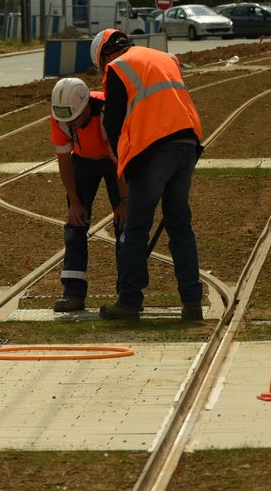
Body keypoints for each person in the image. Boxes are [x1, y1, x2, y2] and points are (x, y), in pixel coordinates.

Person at [89, 28, 205, 322]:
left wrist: (124, 164)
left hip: (154, 148)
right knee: (180, 226)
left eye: (101, 68)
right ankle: (192, 303)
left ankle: (129, 301)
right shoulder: (165, 58)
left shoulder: (118, 68)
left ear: (105, 56)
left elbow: (114, 124)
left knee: (136, 228)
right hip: (187, 144)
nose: (104, 73)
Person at [48, 77, 126, 313]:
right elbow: (64, 160)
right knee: (75, 226)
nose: (70, 125)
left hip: (115, 163)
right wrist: (74, 202)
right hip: (82, 162)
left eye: (75, 119)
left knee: (126, 224)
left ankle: (127, 293)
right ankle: (73, 292)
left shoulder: (108, 113)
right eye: (66, 120)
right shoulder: (60, 117)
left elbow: (121, 160)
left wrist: (123, 202)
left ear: (86, 107)